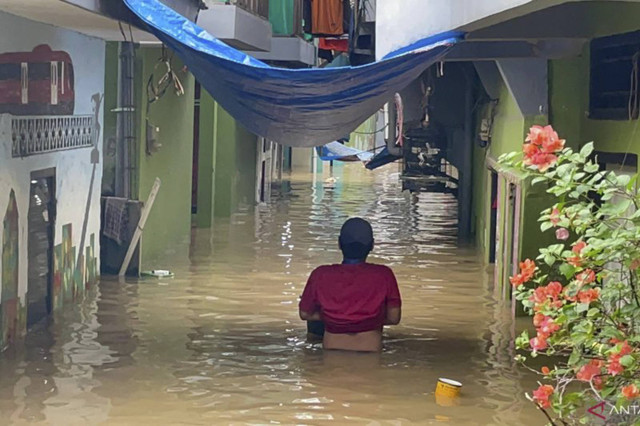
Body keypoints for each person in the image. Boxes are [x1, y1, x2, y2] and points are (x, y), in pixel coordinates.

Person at [299, 217, 402, 352]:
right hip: (370, 351)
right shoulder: (384, 275)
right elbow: (394, 318)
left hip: (331, 351)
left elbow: (305, 314)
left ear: (339, 244)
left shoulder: (320, 274)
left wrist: (331, 317)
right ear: (372, 245)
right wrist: (366, 319)